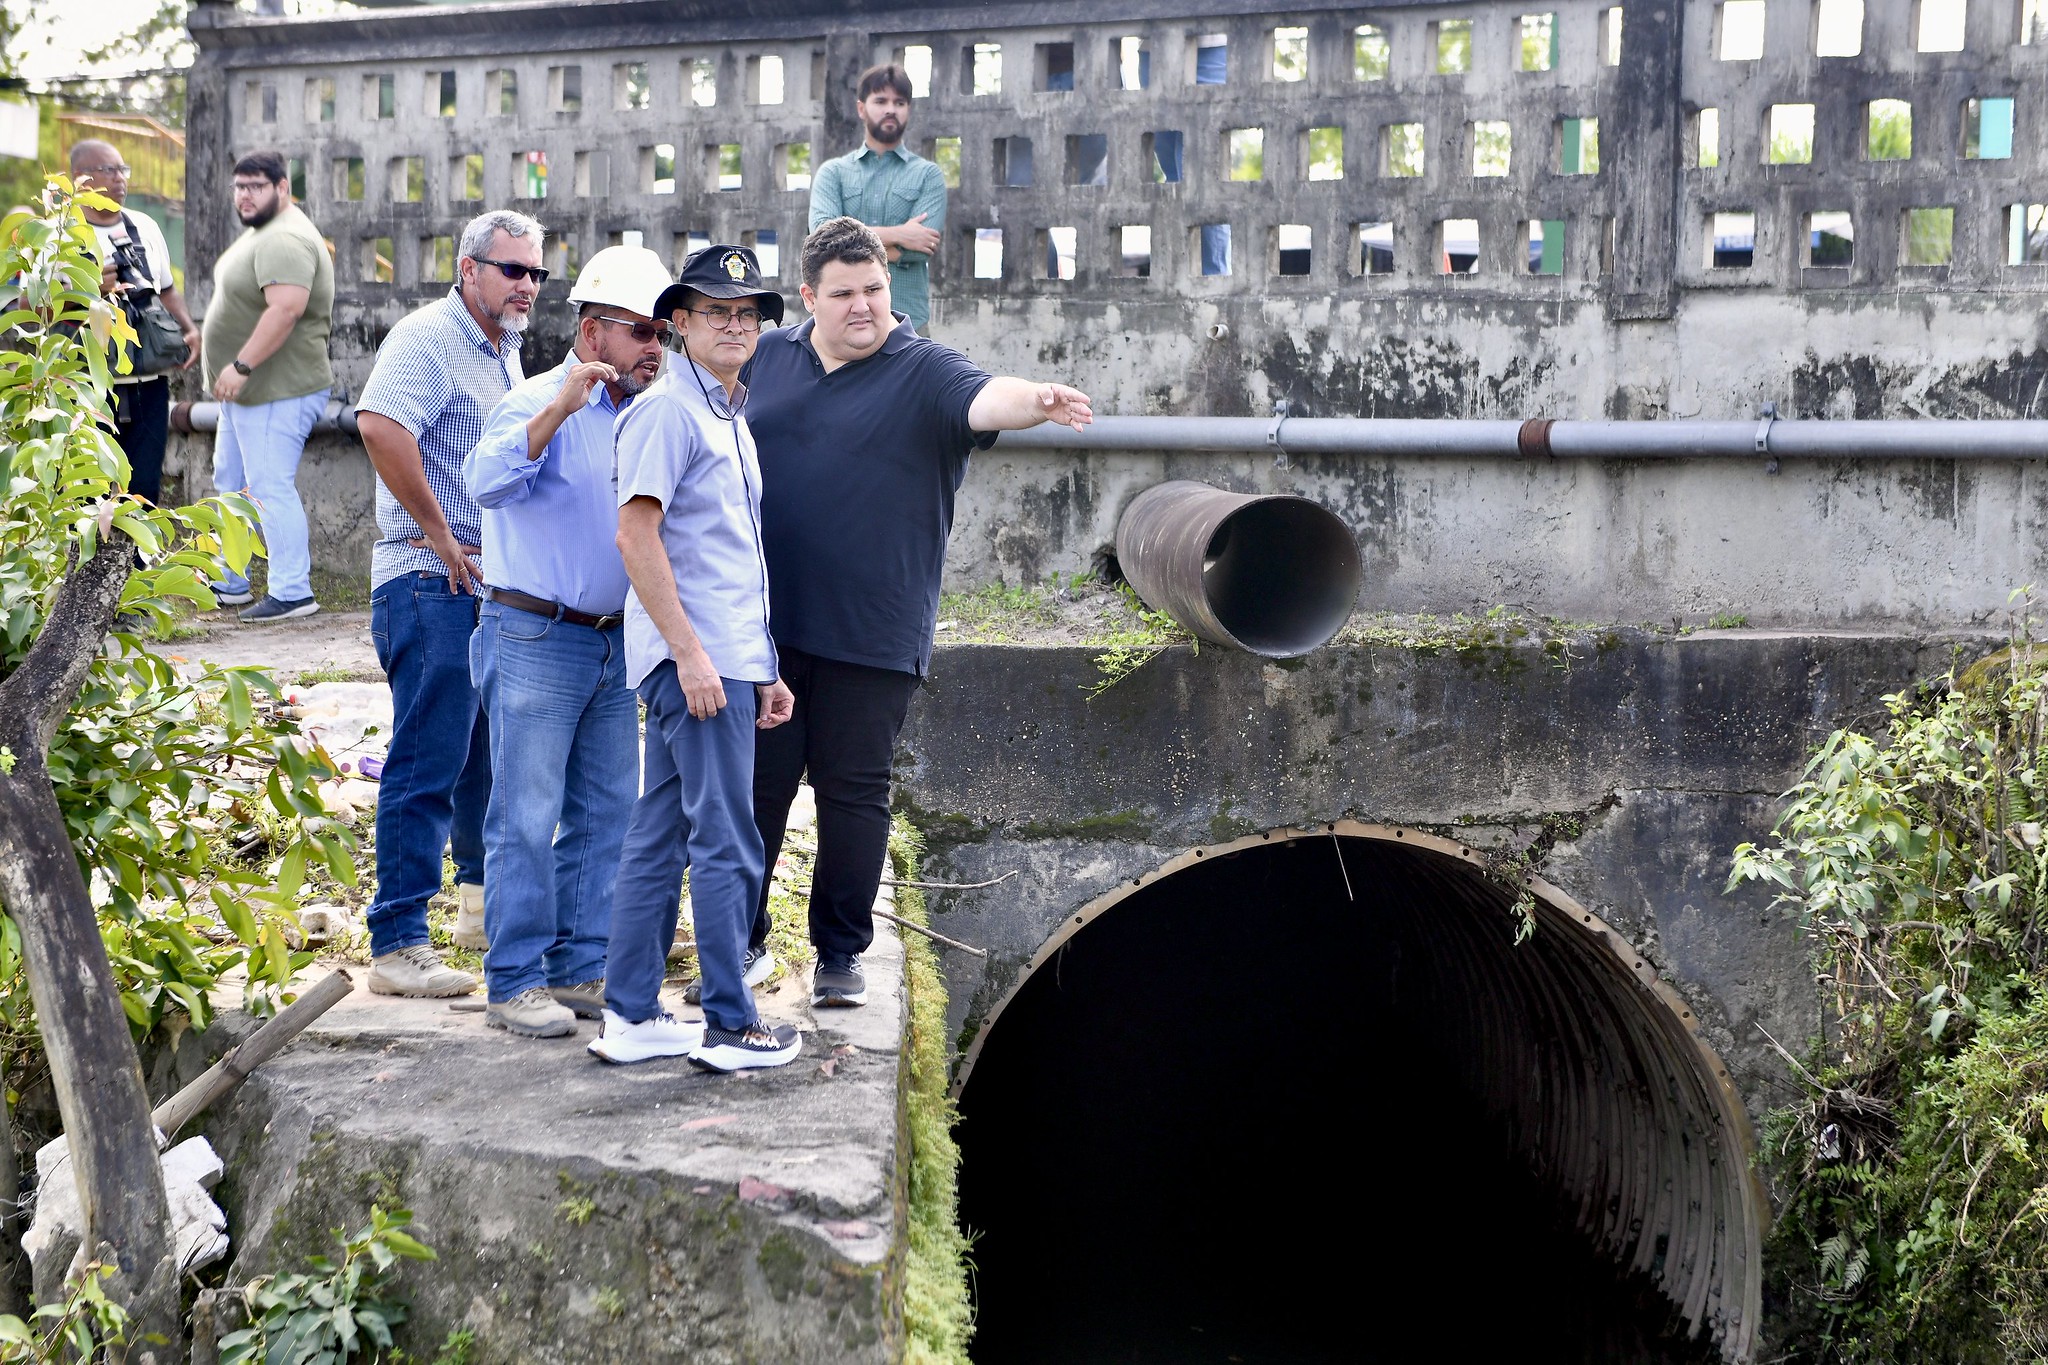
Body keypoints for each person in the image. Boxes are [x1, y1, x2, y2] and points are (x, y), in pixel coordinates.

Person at [744, 217, 1090, 1009]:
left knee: (853, 793)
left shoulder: (924, 367)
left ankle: (838, 953)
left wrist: (1032, 400)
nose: (865, 306)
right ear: (808, 298)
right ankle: (742, 937)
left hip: (873, 632)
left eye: (875, 288)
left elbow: (983, 398)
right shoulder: (767, 357)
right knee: (757, 789)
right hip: (762, 627)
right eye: (845, 294)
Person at [593, 244, 799, 1074]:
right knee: (727, 837)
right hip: (697, 664)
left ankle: (632, 1010)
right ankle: (727, 1022)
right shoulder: (668, 411)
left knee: (661, 832)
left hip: (727, 658)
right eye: (716, 311)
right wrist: (693, 656)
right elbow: (635, 536)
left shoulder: (725, 413)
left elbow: (728, 554)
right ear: (677, 323)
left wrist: (764, 664)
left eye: (747, 314)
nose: (735, 326)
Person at [461, 245, 671, 1039]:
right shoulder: (535, 399)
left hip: (615, 639)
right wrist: (560, 411)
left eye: (662, 333)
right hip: (535, 633)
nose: (655, 346)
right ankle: (511, 978)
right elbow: (486, 485)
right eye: (641, 330)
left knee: (606, 808)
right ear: (591, 332)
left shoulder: (647, 411)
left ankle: (579, 962)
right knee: (525, 812)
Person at [354, 208, 545, 998]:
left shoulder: (506, 350)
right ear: (468, 270)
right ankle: (398, 940)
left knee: (485, 758)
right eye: (513, 270)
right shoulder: (430, 336)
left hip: (482, 583)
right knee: (428, 756)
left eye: (536, 273)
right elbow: (379, 424)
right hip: (428, 577)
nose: (528, 285)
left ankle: (477, 910)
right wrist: (437, 535)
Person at [200, 149, 336, 622]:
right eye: (239, 186)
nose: (244, 195)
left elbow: (286, 310)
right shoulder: (265, 233)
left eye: (255, 186)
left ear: (282, 188)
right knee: (232, 484)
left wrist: (240, 364)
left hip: (277, 387)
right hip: (250, 392)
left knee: (268, 488)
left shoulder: (286, 238)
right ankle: (231, 580)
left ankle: (292, 591)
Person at [71, 139, 200, 507]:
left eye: (122, 170)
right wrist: (89, 289)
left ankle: (137, 564)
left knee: (143, 489)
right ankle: (88, 566)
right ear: (80, 178)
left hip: (148, 384)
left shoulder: (144, 226)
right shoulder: (61, 234)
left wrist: (188, 329)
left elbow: (168, 290)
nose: (119, 179)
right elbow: (33, 306)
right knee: (86, 492)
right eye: (108, 170)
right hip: (87, 387)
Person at [808, 63, 947, 334]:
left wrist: (848, 249)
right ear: (862, 108)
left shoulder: (928, 175)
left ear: (908, 109)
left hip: (908, 324)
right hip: (842, 323)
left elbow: (921, 249)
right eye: (881, 100)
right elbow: (822, 237)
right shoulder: (833, 173)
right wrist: (900, 235)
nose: (891, 109)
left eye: (900, 102)